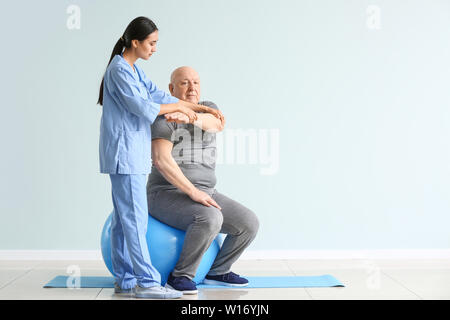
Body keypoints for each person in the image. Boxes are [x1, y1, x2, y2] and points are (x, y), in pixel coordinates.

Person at [97, 17, 222, 299]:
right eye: (151, 43)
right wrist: (182, 111)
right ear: (135, 42)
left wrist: (198, 108)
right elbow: (144, 107)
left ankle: (126, 279)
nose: (154, 49)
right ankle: (147, 282)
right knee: (135, 219)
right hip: (125, 153)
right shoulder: (119, 70)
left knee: (121, 219)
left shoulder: (133, 70)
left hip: (131, 154)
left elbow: (159, 96)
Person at [146, 66, 260, 295]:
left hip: (206, 190)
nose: (191, 88)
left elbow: (216, 124)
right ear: (171, 88)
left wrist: (190, 115)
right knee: (209, 217)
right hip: (165, 193)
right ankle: (179, 276)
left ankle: (217, 271)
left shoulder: (208, 109)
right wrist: (192, 191)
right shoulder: (164, 118)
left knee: (248, 223)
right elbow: (160, 160)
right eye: (184, 83)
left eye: (195, 83)